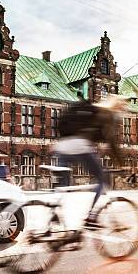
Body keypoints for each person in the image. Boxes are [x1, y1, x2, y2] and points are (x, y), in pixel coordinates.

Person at [53, 93, 125, 227]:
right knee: (102, 179)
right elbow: (112, 143)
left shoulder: (89, 107)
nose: (123, 109)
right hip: (80, 145)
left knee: (62, 185)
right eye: (122, 106)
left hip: (61, 144)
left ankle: (53, 214)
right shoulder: (107, 113)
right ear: (117, 105)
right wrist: (122, 164)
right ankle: (91, 217)